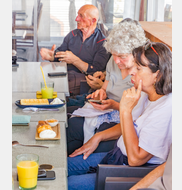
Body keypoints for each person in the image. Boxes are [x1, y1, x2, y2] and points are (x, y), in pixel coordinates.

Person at [67, 41, 172, 190]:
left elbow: (135, 159)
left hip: (129, 170)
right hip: (115, 155)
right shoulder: (145, 93)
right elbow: (129, 126)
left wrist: (124, 110)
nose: (131, 72)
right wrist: (98, 137)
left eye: (138, 68)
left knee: (69, 185)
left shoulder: (165, 111)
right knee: (64, 166)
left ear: (158, 75)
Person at [67, 18, 148, 155]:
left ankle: (73, 165)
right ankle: (68, 163)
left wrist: (113, 105)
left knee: (73, 127)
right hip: (106, 108)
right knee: (69, 121)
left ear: (136, 53)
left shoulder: (142, 74)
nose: (116, 61)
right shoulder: (114, 61)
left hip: (122, 116)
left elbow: (137, 113)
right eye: (114, 55)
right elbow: (105, 88)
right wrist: (100, 93)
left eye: (121, 56)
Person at [39, 4, 111, 95]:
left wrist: (74, 60)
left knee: (53, 90)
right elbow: (60, 54)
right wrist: (52, 56)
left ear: (93, 20)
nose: (76, 19)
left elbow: (96, 71)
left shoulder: (103, 42)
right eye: (78, 15)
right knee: (41, 82)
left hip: (83, 82)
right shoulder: (72, 34)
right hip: (64, 76)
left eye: (81, 16)